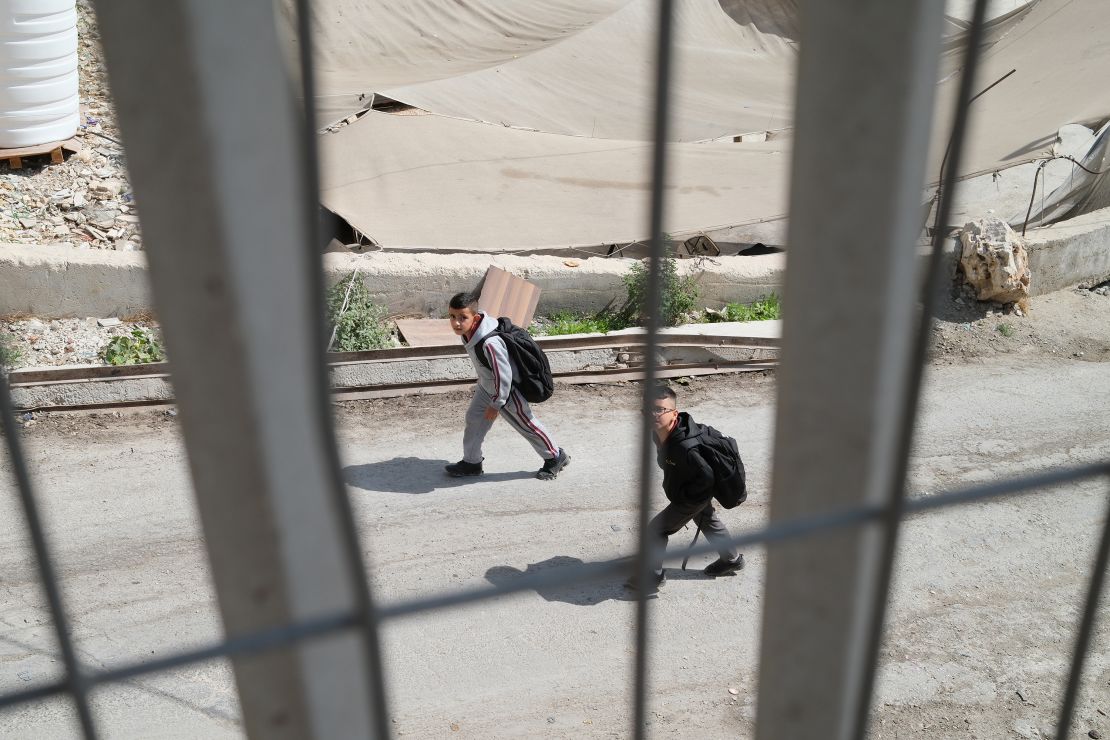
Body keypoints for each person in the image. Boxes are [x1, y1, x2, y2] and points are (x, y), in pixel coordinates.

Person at [444, 292, 570, 480]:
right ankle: (472, 463)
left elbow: (504, 376)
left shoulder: (490, 342)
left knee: (526, 424)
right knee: (474, 419)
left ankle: (555, 456)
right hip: (487, 387)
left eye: (463, 317)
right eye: (452, 317)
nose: (456, 323)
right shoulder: (469, 332)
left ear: (475, 317)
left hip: (507, 392)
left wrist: (497, 404)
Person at [628, 385, 743, 590]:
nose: (653, 415)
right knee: (706, 519)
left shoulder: (685, 447)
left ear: (675, 413)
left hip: (694, 494)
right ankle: (732, 558)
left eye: (659, 409)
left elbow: (706, 478)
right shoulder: (661, 432)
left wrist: (686, 497)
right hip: (692, 487)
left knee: (656, 530)